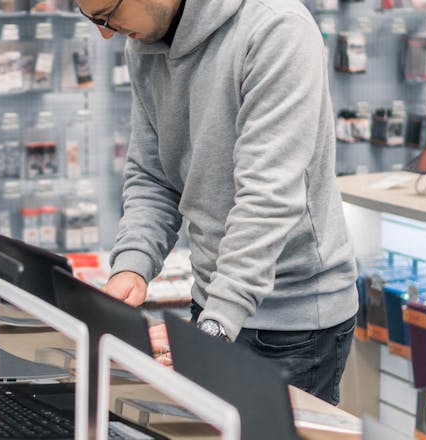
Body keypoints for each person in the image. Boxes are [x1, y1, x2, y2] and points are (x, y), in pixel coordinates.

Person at [81, 0, 360, 405]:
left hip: (292, 322)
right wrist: (132, 266)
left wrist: (213, 329)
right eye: (91, 19)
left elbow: (267, 199)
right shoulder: (145, 43)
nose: (105, 32)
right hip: (213, 304)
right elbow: (152, 175)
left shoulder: (276, 28)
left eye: (107, 14)